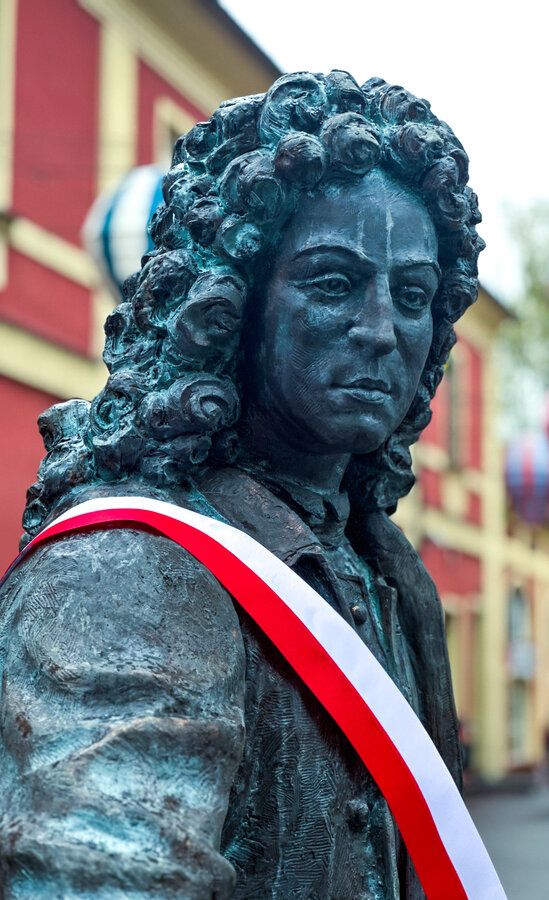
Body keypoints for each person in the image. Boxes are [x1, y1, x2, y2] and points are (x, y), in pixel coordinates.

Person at [0, 71, 484, 898]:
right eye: (333, 282)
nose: (382, 330)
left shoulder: (391, 571)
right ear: (232, 302)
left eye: (412, 296)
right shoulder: (127, 572)